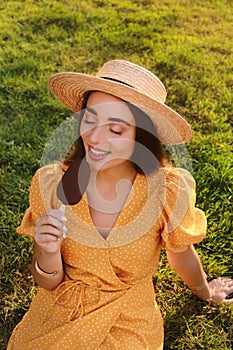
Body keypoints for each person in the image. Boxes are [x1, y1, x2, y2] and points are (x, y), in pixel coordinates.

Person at [7, 60, 233, 350]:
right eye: (90, 120)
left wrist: (205, 291)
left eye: (115, 130)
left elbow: (181, 254)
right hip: (62, 310)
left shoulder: (165, 191)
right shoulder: (51, 185)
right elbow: (47, 281)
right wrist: (48, 251)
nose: (95, 137)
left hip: (128, 318)